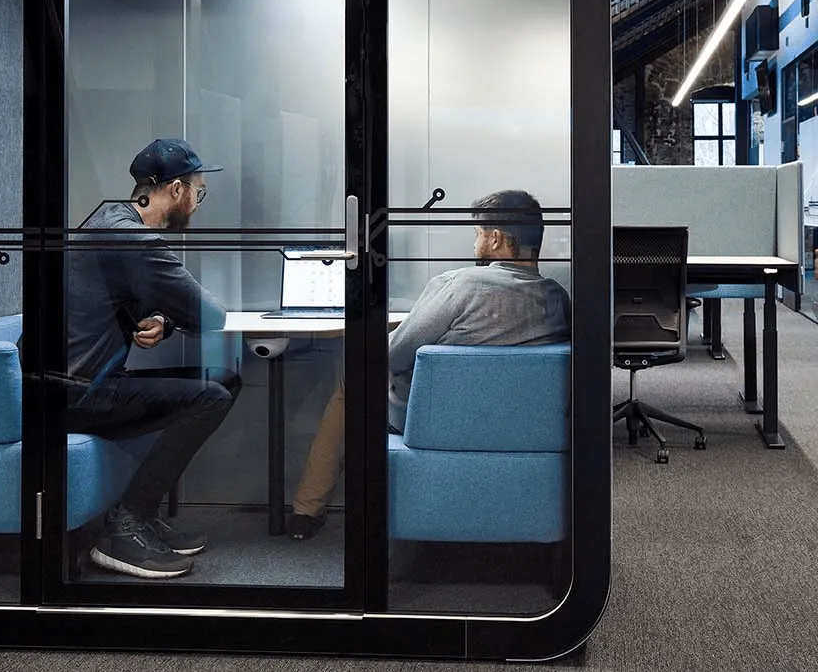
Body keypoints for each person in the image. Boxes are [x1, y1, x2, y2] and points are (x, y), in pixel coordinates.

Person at [284, 189, 572, 540]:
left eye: (478, 235)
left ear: (496, 239)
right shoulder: (559, 298)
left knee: (352, 378)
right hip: (519, 425)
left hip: (436, 421)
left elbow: (393, 356)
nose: (475, 244)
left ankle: (305, 510)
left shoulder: (459, 284)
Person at [65, 138, 237, 578]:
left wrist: (162, 318)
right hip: (79, 393)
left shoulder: (111, 222)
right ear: (176, 190)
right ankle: (126, 525)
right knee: (211, 397)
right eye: (198, 192)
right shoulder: (134, 238)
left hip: (77, 382)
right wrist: (176, 315)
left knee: (223, 380)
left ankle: (141, 514)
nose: (197, 203)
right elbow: (210, 315)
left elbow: (132, 298)